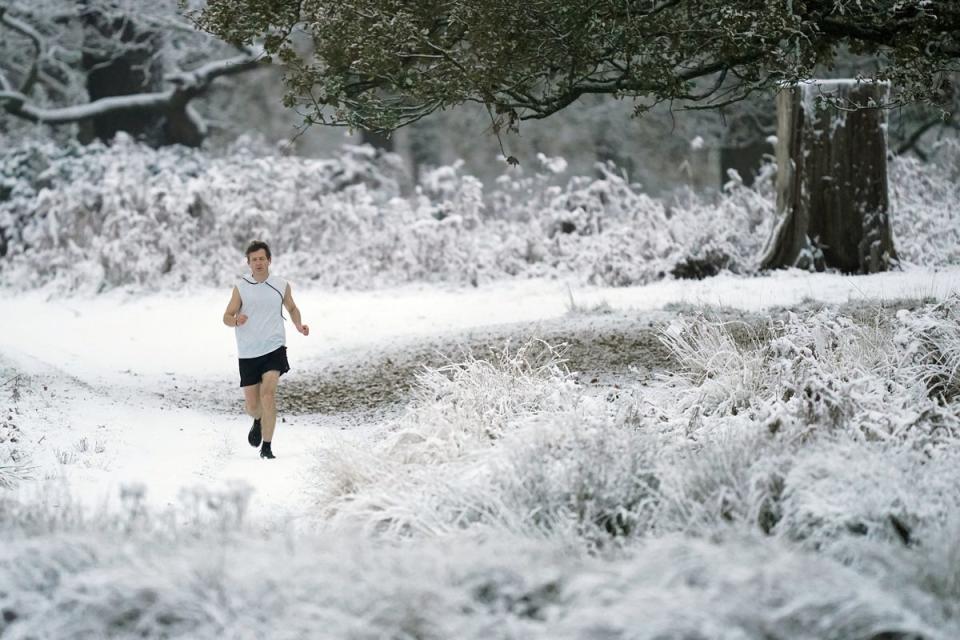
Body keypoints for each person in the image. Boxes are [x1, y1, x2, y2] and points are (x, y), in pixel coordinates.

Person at [222, 240, 309, 459]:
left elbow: (291, 307)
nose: (259, 263)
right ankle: (258, 420)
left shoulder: (280, 284)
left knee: (268, 395)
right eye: (254, 260)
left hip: (274, 347)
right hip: (249, 352)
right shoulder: (241, 287)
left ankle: (267, 448)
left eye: (262, 258)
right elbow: (226, 316)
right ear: (249, 263)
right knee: (253, 406)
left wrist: (299, 325)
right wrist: (236, 320)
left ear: (269, 260)